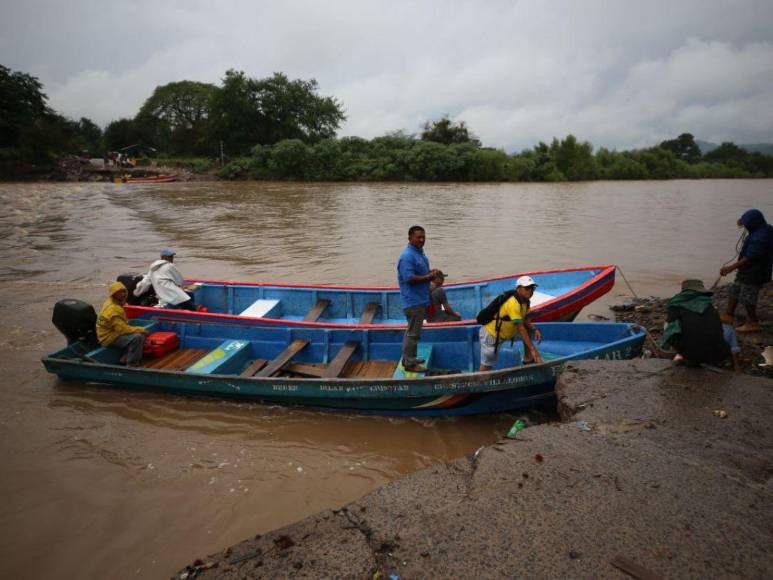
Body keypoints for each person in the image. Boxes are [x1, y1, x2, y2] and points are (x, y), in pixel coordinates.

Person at [661, 279, 735, 369]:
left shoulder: (676, 306)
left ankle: (685, 355)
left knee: (668, 325)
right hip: (718, 354)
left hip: (692, 355)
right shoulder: (709, 306)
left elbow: (670, 332)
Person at [719, 208, 773, 332]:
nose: (745, 226)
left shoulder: (761, 237)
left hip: (756, 271)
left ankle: (753, 322)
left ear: (753, 224)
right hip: (747, 269)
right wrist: (742, 220)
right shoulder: (764, 228)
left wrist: (731, 267)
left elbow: (750, 258)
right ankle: (729, 314)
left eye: (746, 224)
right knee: (735, 289)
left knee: (748, 296)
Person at [397, 225, 440, 372]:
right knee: (413, 334)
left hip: (420, 299)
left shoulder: (418, 253)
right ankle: (410, 364)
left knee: (412, 332)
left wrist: (431, 272)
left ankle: (409, 358)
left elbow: (420, 272)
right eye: (418, 237)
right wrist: (428, 277)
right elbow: (409, 278)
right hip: (413, 302)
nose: (422, 240)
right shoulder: (407, 256)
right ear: (410, 238)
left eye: (423, 237)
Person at [479, 276, 543, 372]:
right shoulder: (513, 303)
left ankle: (528, 359)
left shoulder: (525, 301)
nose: (530, 291)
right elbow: (520, 328)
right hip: (492, 334)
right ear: (518, 289)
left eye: (532, 288)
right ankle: (481, 379)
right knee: (488, 360)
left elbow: (525, 318)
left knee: (528, 329)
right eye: (526, 288)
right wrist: (534, 350)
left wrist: (534, 329)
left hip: (508, 332)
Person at [96, 281, 148, 366]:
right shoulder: (113, 309)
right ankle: (132, 363)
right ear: (113, 294)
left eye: (124, 291)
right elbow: (123, 330)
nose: (123, 294)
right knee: (138, 337)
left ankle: (125, 357)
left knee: (139, 333)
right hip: (108, 337)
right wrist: (141, 329)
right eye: (119, 292)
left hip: (112, 331)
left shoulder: (112, 301)